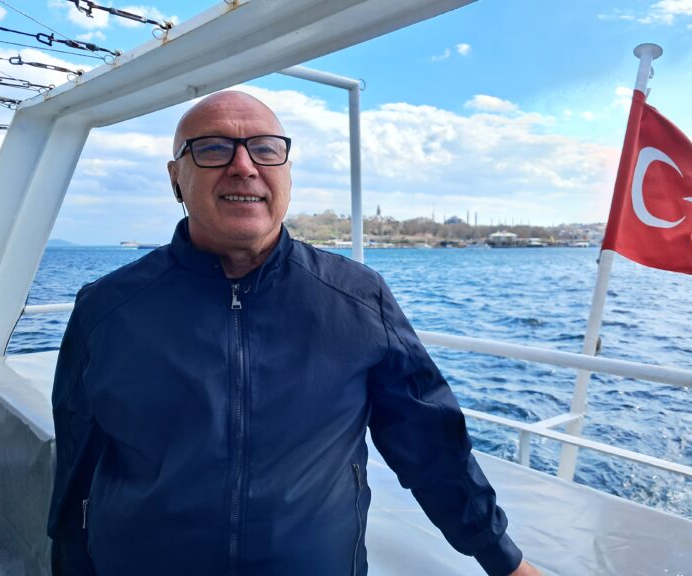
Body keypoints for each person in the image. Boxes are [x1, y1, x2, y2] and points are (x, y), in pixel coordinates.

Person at [48, 91, 543, 576]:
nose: (244, 166)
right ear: (176, 177)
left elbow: (430, 444)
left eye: (265, 148)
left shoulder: (357, 298)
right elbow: (76, 469)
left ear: (287, 174)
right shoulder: (108, 309)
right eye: (214, 148)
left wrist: (502, 558)